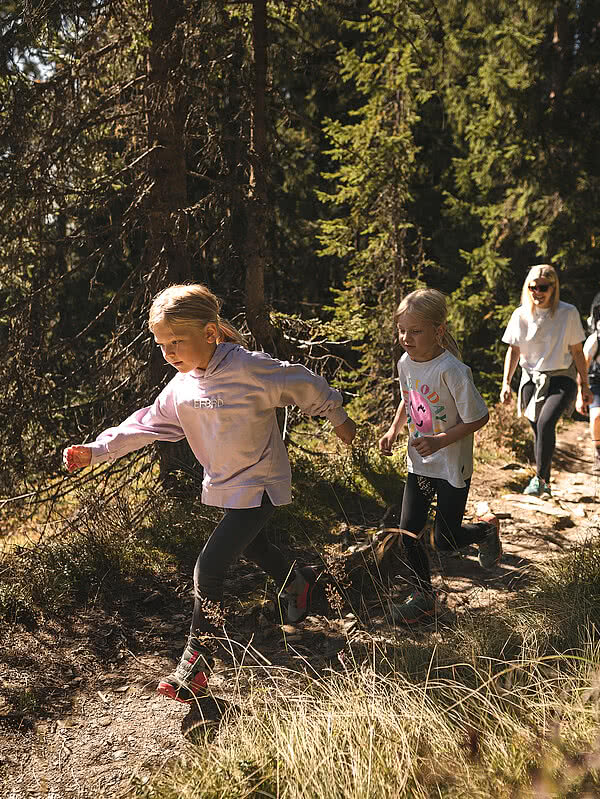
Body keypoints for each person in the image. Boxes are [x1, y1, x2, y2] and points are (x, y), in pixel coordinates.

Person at [63, 284, 357, 703]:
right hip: (227, 484)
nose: (169, 353)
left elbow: (301, 382)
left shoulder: (250, 369)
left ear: (211, 332)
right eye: (162, 344)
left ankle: (198, 661)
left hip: (262, 482)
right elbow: (145, 423)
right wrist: (96, 450)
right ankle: (300, 583)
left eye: (177, 342)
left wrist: (336, 414)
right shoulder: (182, 386)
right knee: (254, 548)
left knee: (210, 566)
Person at [378, 288, 500, 625]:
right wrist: (393, 430)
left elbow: (479, 417)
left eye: (415, 330)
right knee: (408, 532)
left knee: (445, 540)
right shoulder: (405, 362)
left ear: (438, 331)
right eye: (401, 330)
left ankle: (485, 531)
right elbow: (409, 397)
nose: (406, 338)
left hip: (451, 465)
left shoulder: (453, 370)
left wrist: (441, 440)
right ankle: (423, 597)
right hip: (420, 463)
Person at [500, 264, 593, 496]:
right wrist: (506, 383)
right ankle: (545, 481)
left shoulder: (567, 313)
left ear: (553, 288)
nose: (537, 292)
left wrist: (585, 385)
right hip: (531, 378)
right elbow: (513, 351)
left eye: (543, 287)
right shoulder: (520, 314)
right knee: (537, 428)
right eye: (533, 287)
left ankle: (540, 481)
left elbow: (577, 352)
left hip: (562, 378)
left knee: (545, 423)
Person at [581, 294, 600, 472]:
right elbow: (583, 366)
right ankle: (598, 451)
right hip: (596, 382)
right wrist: (581, 393)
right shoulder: (594, 340)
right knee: (596, 417)